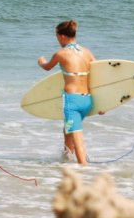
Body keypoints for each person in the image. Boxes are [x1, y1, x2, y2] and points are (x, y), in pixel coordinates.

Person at [37, 19, 98, 165]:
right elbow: (98, 75)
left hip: (72, 101)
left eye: (57, 36)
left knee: (77, 134)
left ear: (63, 36)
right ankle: (66, 158)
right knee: (68, 130)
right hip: (87, 100)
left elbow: (47, 67)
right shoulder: (87, 52)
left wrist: (41, 61)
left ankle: (84, 168)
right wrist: (103, 103)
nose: (57, 39)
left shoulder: (61, 53)